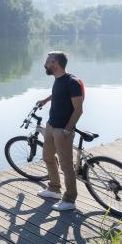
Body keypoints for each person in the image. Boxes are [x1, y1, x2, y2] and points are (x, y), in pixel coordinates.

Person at [36, 51, 84, 211]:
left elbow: (78, 110)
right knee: (48, 157)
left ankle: (70, 200)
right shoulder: (58, 80)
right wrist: (46, 100)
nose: (45, 64)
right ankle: (54, 189)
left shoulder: (73, 82)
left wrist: (67, 130)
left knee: (66, 166)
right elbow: (58, 93)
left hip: (62, 130)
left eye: (48, 62)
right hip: (51, 125)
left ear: (56, 64)